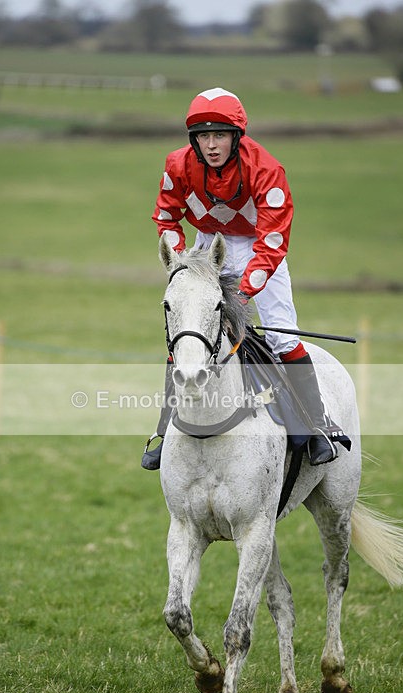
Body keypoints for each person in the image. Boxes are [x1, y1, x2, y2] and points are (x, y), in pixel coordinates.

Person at [142, 87, 338, 470]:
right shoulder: (177, 164)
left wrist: (244, 292)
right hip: (205, 247)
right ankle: (166, 432)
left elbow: (273, 241)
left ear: (236, 136)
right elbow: (166, 216)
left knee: (282, 335)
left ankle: (316, 428)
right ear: (193, 140)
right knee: (190, 333)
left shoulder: (267, 168)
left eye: (220, 135)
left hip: (259, 248)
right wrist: (179, 261)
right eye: (203, 136)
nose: (211, 145)